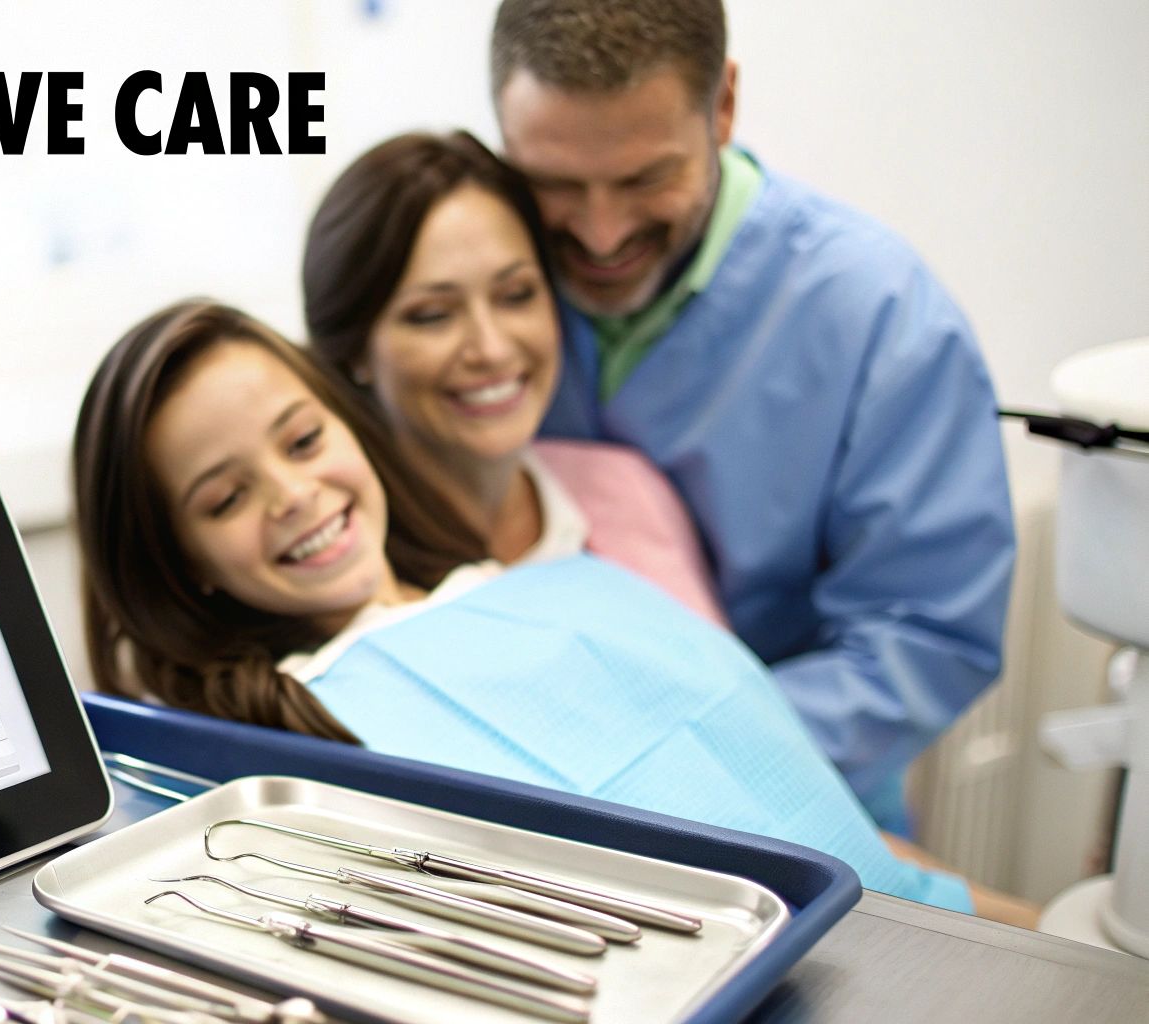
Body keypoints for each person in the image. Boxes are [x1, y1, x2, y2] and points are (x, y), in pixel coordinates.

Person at [72, 298, 986, 915]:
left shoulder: (565, 576)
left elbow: (791, 779)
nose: (294, 494)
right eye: (225, 499)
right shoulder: (275, 749)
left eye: (304, 439)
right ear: (175, 562)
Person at [488, 0, 1016, 830]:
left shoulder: (879, 316)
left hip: (795, 803)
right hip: (523, 796)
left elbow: (924, 638)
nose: (600, 231)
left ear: (723, 106)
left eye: (645, 178)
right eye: (553, 183)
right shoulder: (472, 285)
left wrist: (664, 761)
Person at [302, 129, 724, 626]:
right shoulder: (337, 568)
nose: (492, 348)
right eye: (433, 315)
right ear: (355, 351)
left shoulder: (627, 489)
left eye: (517, 294)